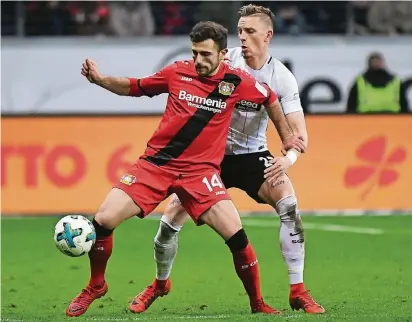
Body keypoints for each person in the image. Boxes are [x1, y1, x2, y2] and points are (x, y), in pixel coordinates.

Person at [66, 21, 305, 317]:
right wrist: (101, 80)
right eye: (195, 53)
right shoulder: (177, 71)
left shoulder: (237, 80)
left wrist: (286, 136)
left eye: (206, 54)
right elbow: (136, 87)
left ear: (221, 54)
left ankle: (257, 302)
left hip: (200, 174)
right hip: (156, 165)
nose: (199, 60)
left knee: (237, 237)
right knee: (103, 220)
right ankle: (96, 285)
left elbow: (269, 97)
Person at [132, 4, 325, 315]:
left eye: (250, 32)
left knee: (290, 207)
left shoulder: (283, 79)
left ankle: (298, 290)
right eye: (240, 32)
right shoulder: (223, 58)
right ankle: (159, 283)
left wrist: (288, 159)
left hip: (253, 156)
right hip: (208, 158)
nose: (243, 38)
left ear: (268, 35)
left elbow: (299, 133)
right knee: (168, 224)